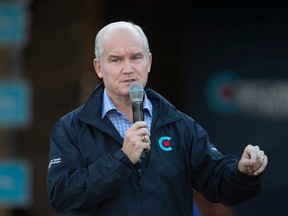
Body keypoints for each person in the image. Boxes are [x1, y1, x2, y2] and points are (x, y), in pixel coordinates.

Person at [47, 21, 268, 216]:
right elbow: (63, 196)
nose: (128, 68)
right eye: (116, 60)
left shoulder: (179, 125)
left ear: (149, 62)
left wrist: (242, 173)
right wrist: (122, 160)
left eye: (136, 57)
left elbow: (218, 183)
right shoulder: (71, 128)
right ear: (99, 67)